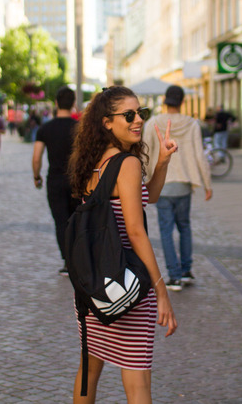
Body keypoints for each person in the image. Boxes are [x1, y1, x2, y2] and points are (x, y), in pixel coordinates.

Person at [67, 85, 178, 403]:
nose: (138, 120)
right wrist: (161, 290)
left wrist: (162, 162)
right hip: (127, 285)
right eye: (129, 115)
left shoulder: (93, 161)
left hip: (94, 285)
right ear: (107, 122)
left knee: (89, 370)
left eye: (140, 113)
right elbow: (135, 231)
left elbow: (147, 197)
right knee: (137, 379)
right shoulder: (126, 163)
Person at [143, 85, 212, 291]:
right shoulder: (192, 124)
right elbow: (199, 155)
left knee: (166, 231)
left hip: (162, 185)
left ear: (165, 100)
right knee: (184, 227)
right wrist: (207, 184)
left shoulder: (153, 123)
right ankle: (186, 270)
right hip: (184, 183)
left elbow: (144, 153)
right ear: (182, 101)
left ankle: (174, 276)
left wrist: (143, 181)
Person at [32, 86, 79, 275]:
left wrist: (36, 176)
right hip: (77, 181)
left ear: (56, 103)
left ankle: (67, 262)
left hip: (55, 181)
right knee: (77, 220)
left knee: (61, 222)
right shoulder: (79, 128)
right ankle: (79, 259)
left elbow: (37, 157)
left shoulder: (45, 129)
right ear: (73, 103)